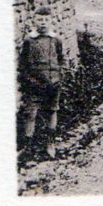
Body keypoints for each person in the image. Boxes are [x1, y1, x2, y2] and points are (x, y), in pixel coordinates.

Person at [18, 15, 65, 160]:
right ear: (34, 21)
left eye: (46, 20)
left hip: (53, 83)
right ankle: (27, 146)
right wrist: (30, 80)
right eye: (40, 20)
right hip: (34, 84)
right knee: (31, 113)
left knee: (52, 111)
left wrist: (59, 76)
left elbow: (62, 59)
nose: (43, 23)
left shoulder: (56, 39)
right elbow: (22, 63)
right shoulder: (29, 40)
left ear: (51, 21)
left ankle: (50, 143)